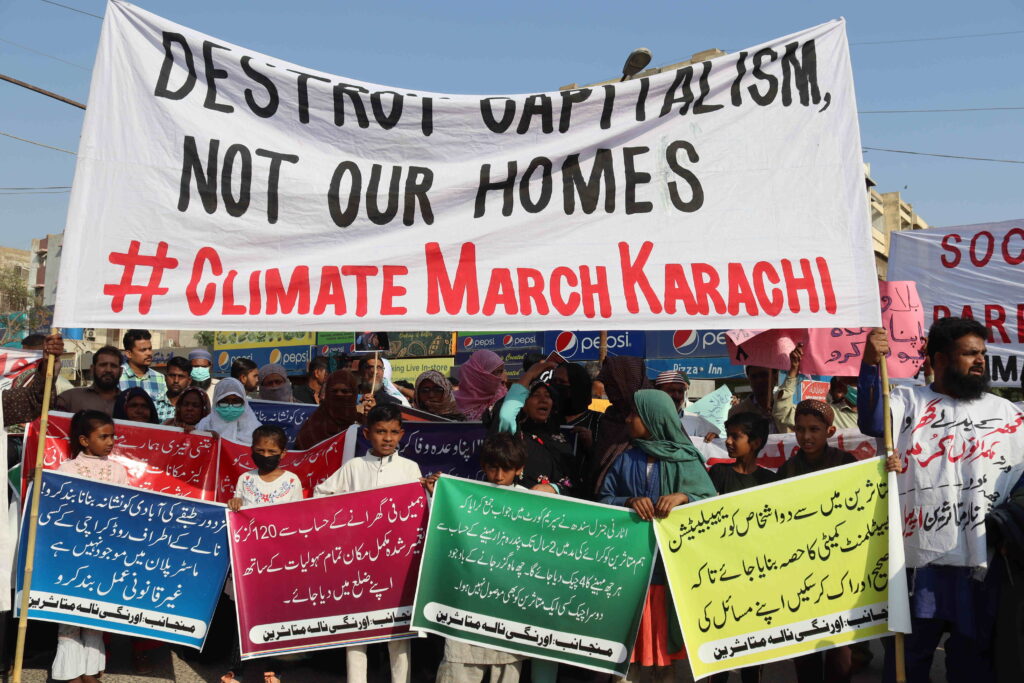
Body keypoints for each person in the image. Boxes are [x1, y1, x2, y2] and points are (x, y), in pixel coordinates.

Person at [859, 318, 1024, 683]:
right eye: (970, 353)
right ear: (940, 358)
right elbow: (872, 420)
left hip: (981, 562)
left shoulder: (1007, 414)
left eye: (982, 353)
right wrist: (871, 364)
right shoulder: (905, 402)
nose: (980, 360)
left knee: (973, 666)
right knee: (909, 662)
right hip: (920, 565)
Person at [314, 404, 438, 683]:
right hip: (356, 563)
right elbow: (322, 496)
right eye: (381, 432)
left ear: (402, 434)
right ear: (368, 433)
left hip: (396, 563)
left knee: (398, 632)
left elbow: (423, 510)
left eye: (394, 432)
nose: (387, 438)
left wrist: (431, 490)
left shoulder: (410, 468)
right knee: (356, 631)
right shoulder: (353, 467)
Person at [600, 389, 716, 682]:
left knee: (665, 662)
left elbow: (711, 504)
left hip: (670, 576)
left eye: (635, 414)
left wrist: (684, 496)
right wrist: (626, 502)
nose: (628, 419)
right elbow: (603, 500)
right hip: (631, 575)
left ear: (653, 418)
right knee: (627, 662)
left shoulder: (688, 460)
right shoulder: (625, 459)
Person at [435, 432, 526, 683]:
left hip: (509, 612)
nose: (498, 477)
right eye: (493, 468)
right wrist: (437, 494)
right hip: (468, 606)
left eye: (506, 470)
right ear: (483, 466)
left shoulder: (533, 503)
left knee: (507, 667)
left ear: (519, 469)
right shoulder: (467, 496)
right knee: (456, 668)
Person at [776, 399, 855, 682]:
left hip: (839, 570)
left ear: (830, 431)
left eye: (814, 429)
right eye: (800, 429)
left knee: (839, 654)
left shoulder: (846, 464)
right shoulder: (787, 470)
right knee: (806, 650)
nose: (806, 436)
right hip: (801, 573)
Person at [52, 410, 128, 682]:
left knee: (96, 612)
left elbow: (126, 512)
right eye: (103, 436)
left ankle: (90, 671)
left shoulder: (119, 471)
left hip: (105, 555)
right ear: (84, 440)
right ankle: (69, 672)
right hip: (73, 554)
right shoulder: (66, 470)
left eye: (112, 436)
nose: (110, 442)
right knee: (70, 612)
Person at [494, 361, 574, 494]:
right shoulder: (514, 435)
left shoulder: (560, 441)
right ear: (523, 405)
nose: (543, 400)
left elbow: (573, 481)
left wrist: (554, 488)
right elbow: (506, 415)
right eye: (535, 395)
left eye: (548, 396)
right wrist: (530, 374)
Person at [588, 356, 652, 498]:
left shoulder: (657, 419)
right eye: (607, 387)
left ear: (628, 383)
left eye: (613, 386)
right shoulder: (610, 418)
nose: (611, 395)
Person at [772, 344, 859, 432]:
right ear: (841, 387)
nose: (859, 385)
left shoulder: (872, 413)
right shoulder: (826, 413)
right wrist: (793, 371)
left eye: (860, 380)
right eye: (853, 381)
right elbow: (783, 412)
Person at [293, 370, 371, 450]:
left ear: (354, 394)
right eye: (334, 391)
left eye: (345, 391)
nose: (339, 394)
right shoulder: (312, 428)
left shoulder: (362, 425)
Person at [708, 412, 776, 495]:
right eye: (728, 435)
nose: (728, 441)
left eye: (735, 437)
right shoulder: (719, 471)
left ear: (756, 443)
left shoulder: (770, 480)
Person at [118, 329, 170, 420]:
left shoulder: (160, 378)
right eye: (143, 350)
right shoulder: (118, 376)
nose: (149, 353)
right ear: (129, 354)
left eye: (150, 349)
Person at [57, 346, 121, 416]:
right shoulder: (69, 398)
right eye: (103, 365)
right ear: (92, 369)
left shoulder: (128, 402)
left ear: (121, 371)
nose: (108, 370)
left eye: (113, 366)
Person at [196, 378, 262, 443]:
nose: (230, 406)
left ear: (244, 403)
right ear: (216, 402)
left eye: (236, 401)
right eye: (224, 401)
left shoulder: (257, 431)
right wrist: (204, 437)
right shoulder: (204, 425)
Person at [454, 350, 508, 421]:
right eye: (495, 372)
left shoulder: (503, 399)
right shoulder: (450, 402)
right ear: (477, 374)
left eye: (500, 371)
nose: (499, 378)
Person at [729, 365, 778, 432]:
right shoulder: (737, 412)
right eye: (754, 377)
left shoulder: (786, 409)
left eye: (764, 375)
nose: (759, 380)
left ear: (775, 377)